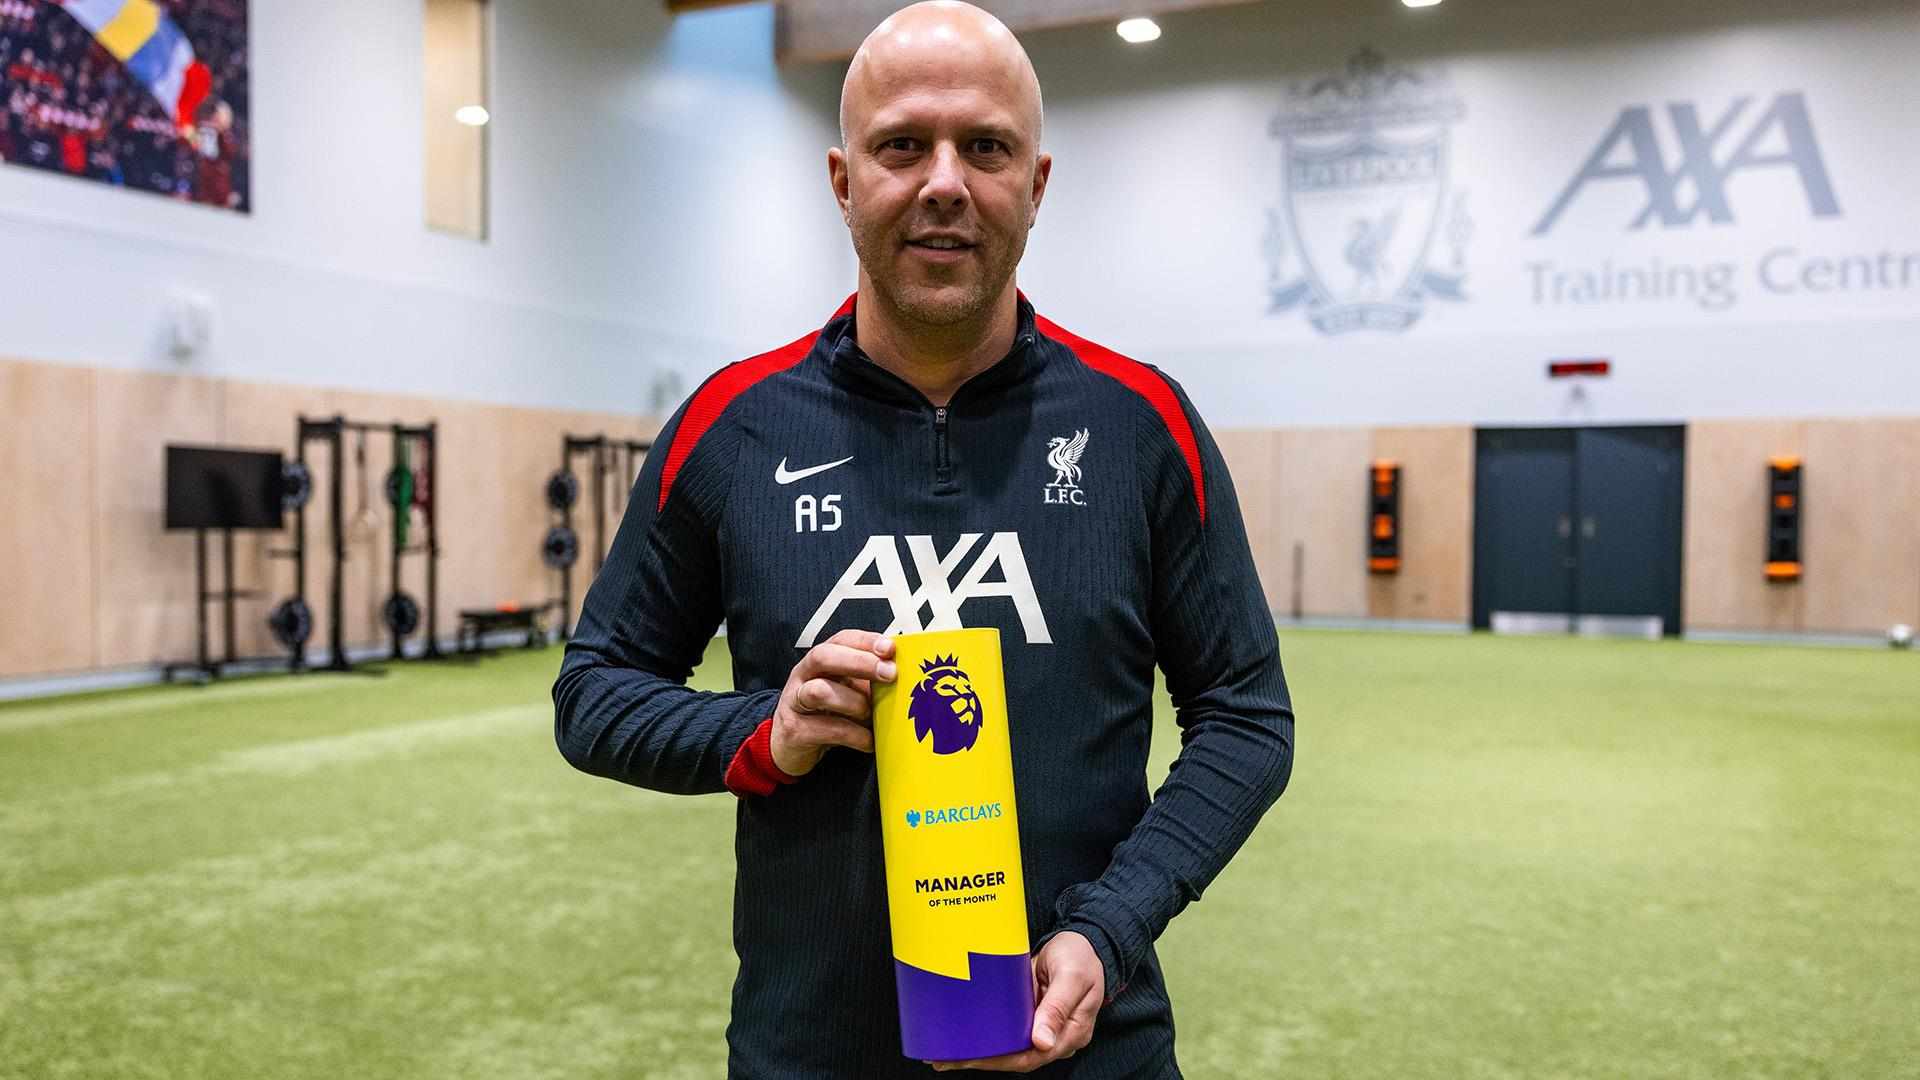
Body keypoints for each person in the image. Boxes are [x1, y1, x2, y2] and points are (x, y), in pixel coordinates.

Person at [552, 3, 1293, 1076]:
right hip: (810, 1051)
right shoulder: (730, 428)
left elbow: (1246, 718)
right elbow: (595, 691)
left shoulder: (1143, 426)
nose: (944, 181)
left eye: (985, 147)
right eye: (902, 144)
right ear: (845, 179)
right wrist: (770, 732)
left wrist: (1109, 927)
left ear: (1035, 186)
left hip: (1092, 1052)